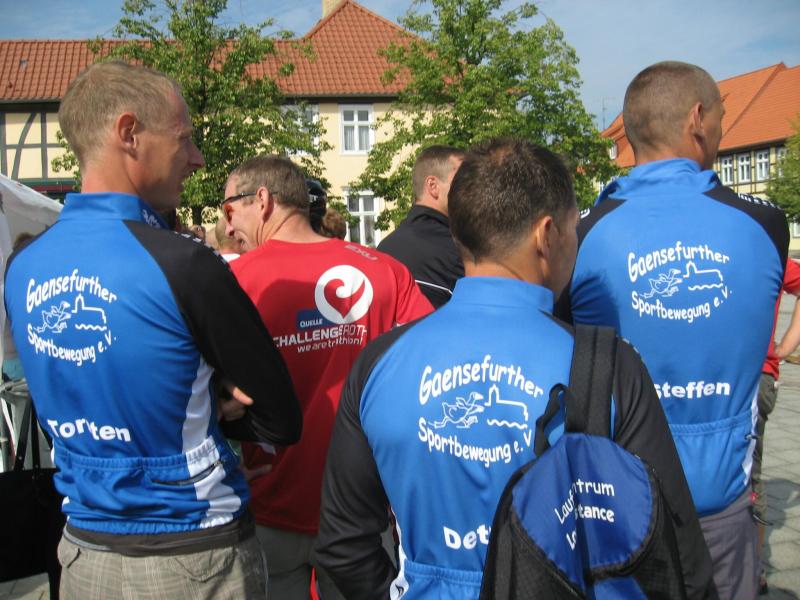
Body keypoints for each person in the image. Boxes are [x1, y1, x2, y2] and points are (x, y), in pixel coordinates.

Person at [314, 138, 714, 599]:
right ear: (547, 235)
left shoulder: (379, 363)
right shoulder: (606, 364)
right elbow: (676, 554)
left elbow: (343, 546)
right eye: (573, 229)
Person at [3, 61, 302, 599]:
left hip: (82, 552)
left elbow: (65, 399)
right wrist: (211, 401)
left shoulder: (23, 266)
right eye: (183, 138)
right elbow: (280, 418)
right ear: (129, 133)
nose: (196, 157)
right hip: (192, 551)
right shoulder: (183, 263)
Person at [557, 61, 789, 599]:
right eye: (723, 118)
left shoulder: (584, 235)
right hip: (719, 504)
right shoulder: (765, 224)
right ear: (698, 119)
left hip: (619, 507)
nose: (723, 131)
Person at [222, 155, 433, 599]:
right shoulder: (384, 270)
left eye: (229, 209)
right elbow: (427, 372)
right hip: (361, 508)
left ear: (262, 200)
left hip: (272, 500)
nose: (227, 226)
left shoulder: (233, 281)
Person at [753, 258, 800, 594]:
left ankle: (753, 566)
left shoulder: (765, 246)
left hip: (754, 376)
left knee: (748, 477)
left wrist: (787, 344)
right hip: (747, 375)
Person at [378, 145, 465, 307]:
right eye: (463, 181)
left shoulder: (384, 249)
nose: (472, 190)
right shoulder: (460, 252)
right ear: (433, 186)